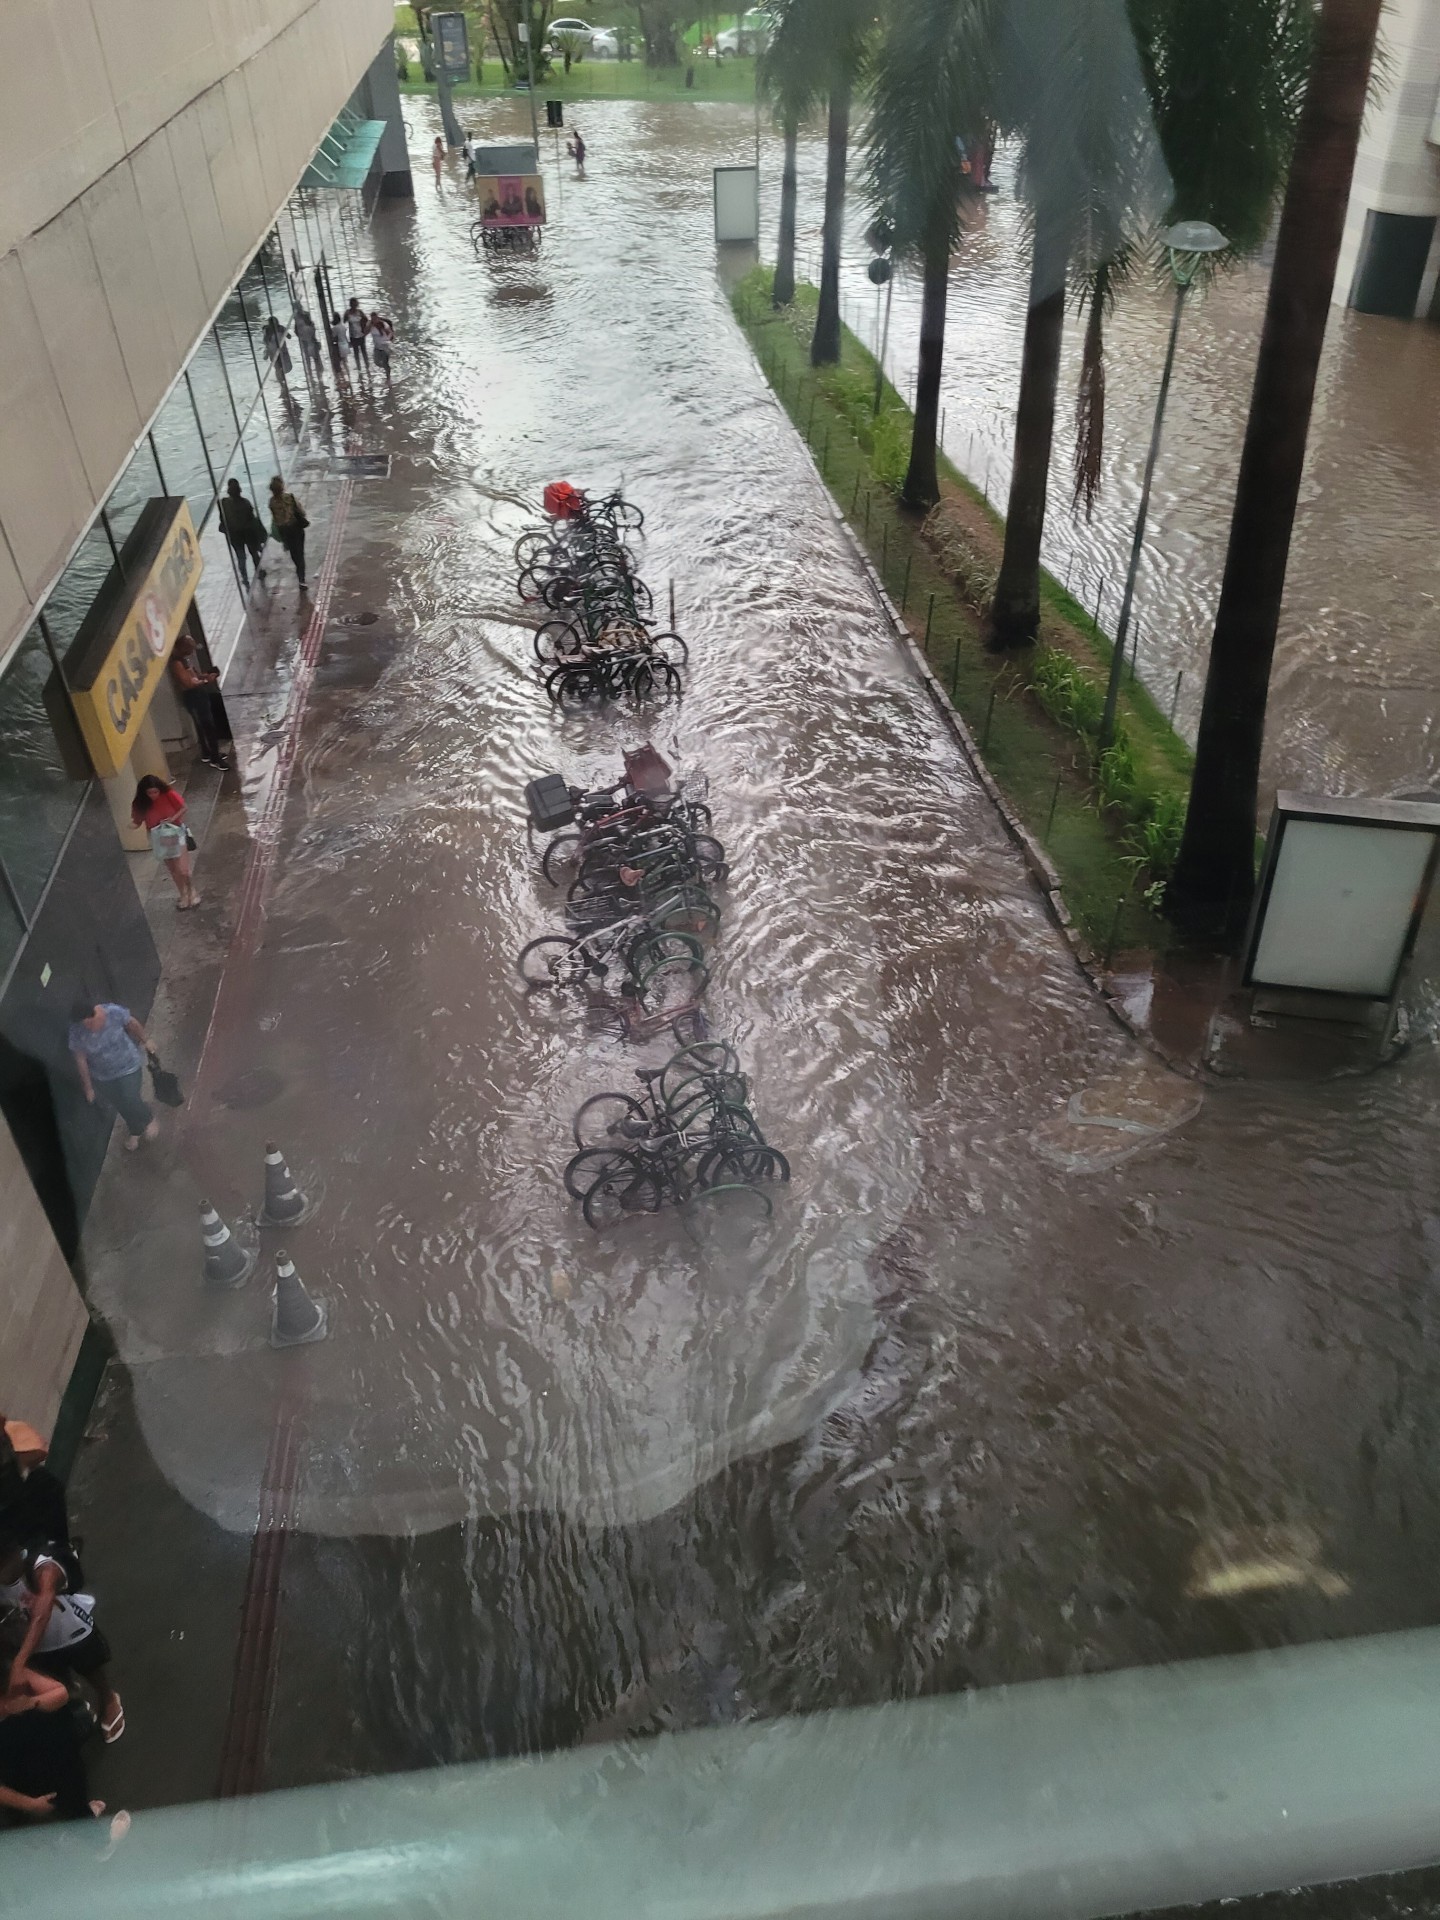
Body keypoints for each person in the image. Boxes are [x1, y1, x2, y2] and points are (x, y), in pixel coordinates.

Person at [0, 1528, 123, 1745]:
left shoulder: (42, 1567)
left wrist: (19, 1662)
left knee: (91, 1668)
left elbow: (42, 1612)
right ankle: (74, 1703)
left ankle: (108, 1697)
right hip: (33, 1644)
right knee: (55, 1678)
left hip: (69, 1632)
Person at [0, 1670, 111, 1827]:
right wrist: (29, 1804)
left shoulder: (13, 1677)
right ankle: (97, 1840)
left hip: (41, 1751)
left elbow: (59, 1693)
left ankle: (78, 1814)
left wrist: (31, 1702)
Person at [68, 998, 158, 1150]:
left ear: (94, 1014)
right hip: (104, 1076)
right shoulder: (77, 1031)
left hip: (128, 1065)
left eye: (89, 1023)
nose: (88, 1027)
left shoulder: (112, 1012)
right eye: (84, 1025)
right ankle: (135, 1130)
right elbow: (80, 1059)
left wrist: (145, 1040)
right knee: (121, 1104)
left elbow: (132, 1024)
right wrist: (88, 1087)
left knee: (130, 1097)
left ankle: (148, 1118)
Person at [130, 773, 197, 908]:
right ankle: (183, 894)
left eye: (155, 792)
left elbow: (183, 807)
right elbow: (137, 820)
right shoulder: (140, 804)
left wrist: (172, 818)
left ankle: (192, 891)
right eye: (150, 793)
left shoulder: (168, 794)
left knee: (183, 869)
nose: (153, 795)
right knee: (173, 868)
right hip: (160, 836)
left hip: (175, 832)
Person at [170, 635, 230, 771]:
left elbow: (195, 676)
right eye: (190, 648)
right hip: (193, 696)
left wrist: (206, 676)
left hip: (199, 694)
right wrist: (206, 681)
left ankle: (207, 753)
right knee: (207, 726)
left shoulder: (185, 660)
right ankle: (215, 758)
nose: (192, 651)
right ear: (182, 647)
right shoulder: (177, 663)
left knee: (203, 726)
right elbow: (188, 683)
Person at [218, 477, 266, 588]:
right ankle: (259, 572)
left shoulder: (223, 503)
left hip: (234, 535)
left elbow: (222, 519)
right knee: (254, 553)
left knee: (241, 557)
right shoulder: (245, 503)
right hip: (248, 533)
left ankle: (245, 578)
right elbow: (252, 520)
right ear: (240, 490)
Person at [268, 476, 309, 589]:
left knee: (294, 554)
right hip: (296, 528)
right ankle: (301, 578)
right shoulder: (289, 497)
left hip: (284, 531)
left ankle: (299, 572)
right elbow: (301, 511)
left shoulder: (271, 502)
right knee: (300, 553)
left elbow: (275, 518)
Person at [294, 308, 324, 382]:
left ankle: (311, 377)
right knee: (316, 360)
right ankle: (319, 377)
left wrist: (301, 337)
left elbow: (296, 332)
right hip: (312, 343)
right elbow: (313, 335)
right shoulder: (311, 326)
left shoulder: (300, 326)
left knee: (308, 361)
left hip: (305, 343)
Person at [345, 297, 370, 374]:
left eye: (355, 304)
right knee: (356, 352)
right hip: (353, 336)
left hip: (361, 335)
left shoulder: (360, 312)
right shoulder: (347, 313)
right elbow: (344, 321)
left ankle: (367, 366)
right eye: (353, 304)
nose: (354, 306)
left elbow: (366, 320)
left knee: (363, 351)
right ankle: (359, 367)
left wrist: (364, 329)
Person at [327, 312, 351, 390]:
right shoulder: (343, 326)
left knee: (337, 363)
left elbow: (333, 337)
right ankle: (348, 377)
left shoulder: (335, 328)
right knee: (345, 362)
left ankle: (342, 380)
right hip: (345, 344)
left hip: (339, 346)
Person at [369, 312, 395, 381]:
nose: (374, 320)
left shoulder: (383, 324)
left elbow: (390, 332)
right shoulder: (371, 326)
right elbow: (365, 332)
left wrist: (387, 339)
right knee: (376, 362)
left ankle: (388, 379)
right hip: (377, 347)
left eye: (375, 319)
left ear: (377, 318)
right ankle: (387, 368)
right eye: (372, 319)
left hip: (385, 347)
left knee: (385, 363)